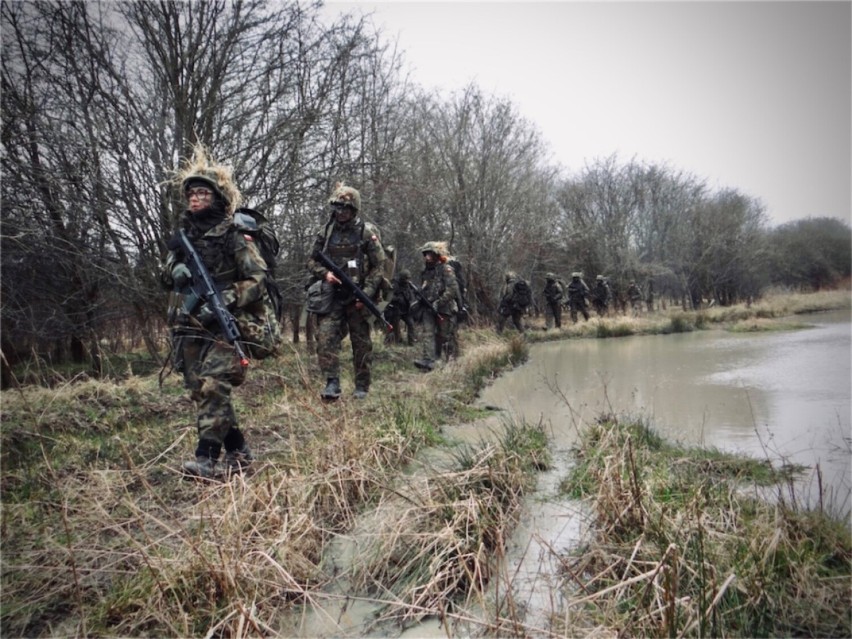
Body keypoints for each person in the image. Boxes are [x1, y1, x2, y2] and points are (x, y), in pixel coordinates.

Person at [161, 148, 264, 479]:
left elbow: (257, 279)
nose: (194, 199)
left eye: (202, 192)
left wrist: (227, 297)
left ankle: (206, 457)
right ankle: (239, 451)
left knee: (214, 385)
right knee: (199, 391)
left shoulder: (233, 234)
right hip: (189, 323)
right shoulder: (185, 236)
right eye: (191, 193)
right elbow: (165, 274)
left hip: (223, 321)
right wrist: (175, 269)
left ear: (216, 196)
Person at [305, 183, 387, 400]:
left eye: (345, 208)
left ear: (354, 209)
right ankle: (332, 383)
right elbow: (312, 261)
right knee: (325, 338)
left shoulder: (366, 233)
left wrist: (367, 293)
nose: (340, 213)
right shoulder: (326, 231)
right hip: (332, 294)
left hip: (358, 295)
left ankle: (362, 385)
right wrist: (325, 274)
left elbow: (380, 266)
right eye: (337, 208)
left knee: (361, 343)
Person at [412, 241, 461, 371]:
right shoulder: (425, 272)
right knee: (427, 333)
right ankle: (428, 361)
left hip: (444, 308)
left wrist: (439, 302)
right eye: (426, 254)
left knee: (445, 336)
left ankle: (452, 361)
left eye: (430, 254)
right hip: (428, 307)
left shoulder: (446, 269)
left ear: (436, 254)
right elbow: (425, 288)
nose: (427, 257)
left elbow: (452, 289)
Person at [384, 269, 415, 346]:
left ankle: (411, 342)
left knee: (411, 324)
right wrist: (398, 299)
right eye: (406, 278)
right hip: (396, 310)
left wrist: (410, 300)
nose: (407, 280)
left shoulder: (408, 285)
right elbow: (388, 297)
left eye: (408, 278)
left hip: (405, 310)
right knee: (395, 327)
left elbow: (411, 295)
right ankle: (395, 343)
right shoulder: (394, 284)